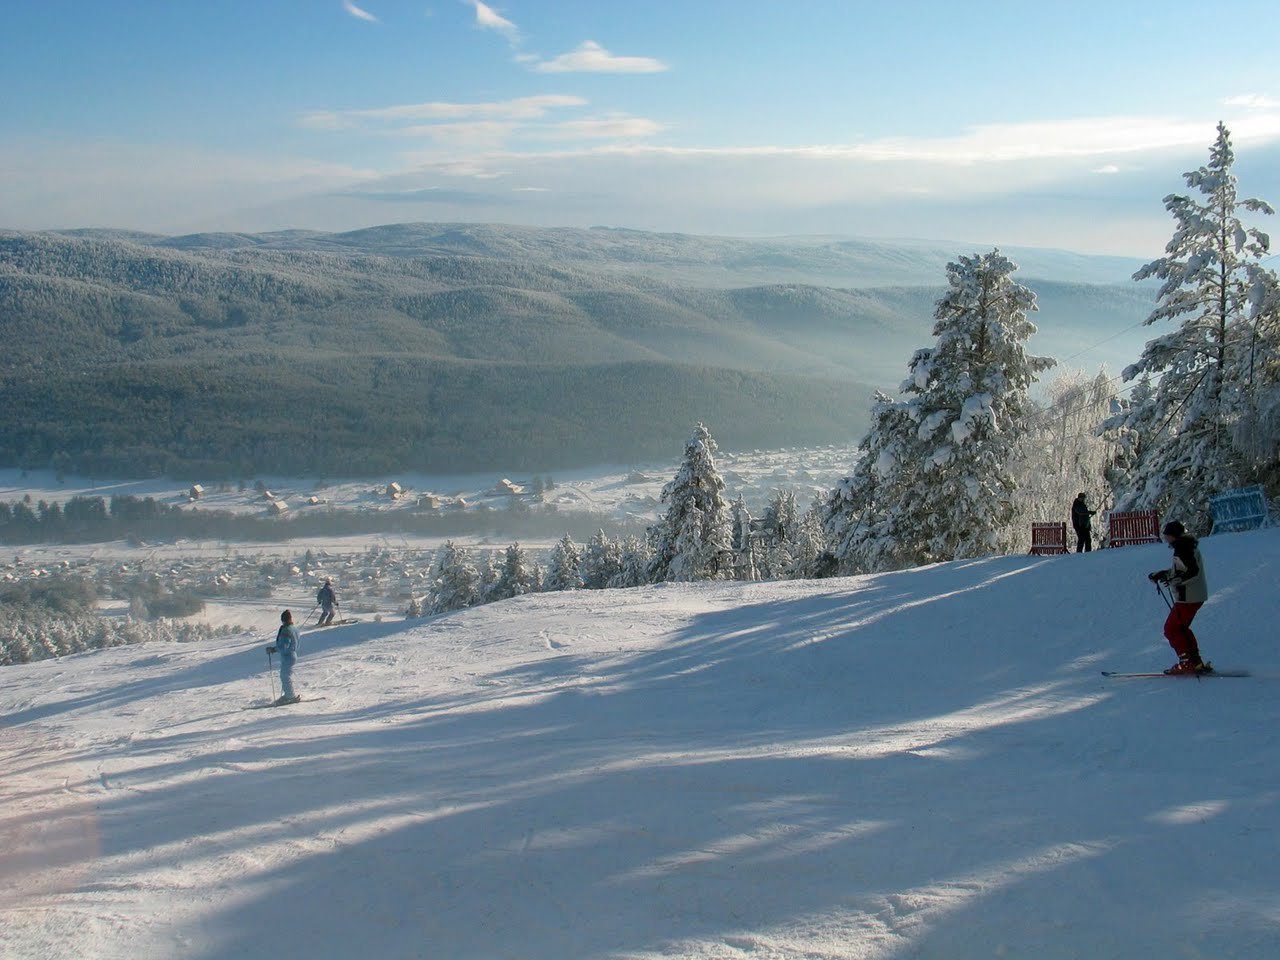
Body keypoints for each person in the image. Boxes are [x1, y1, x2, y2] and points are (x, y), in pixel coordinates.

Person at [1147, 520, 1211, 675]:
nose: (1166, 539)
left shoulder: (1183, 548)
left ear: (1172, 535)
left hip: (1188, 597)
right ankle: (1195, 662)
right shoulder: (1186, 546)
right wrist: (1164, 574)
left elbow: (1191, 572)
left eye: (1167, 536)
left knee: (1171, 629)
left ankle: (1186, 662)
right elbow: (1182, 570)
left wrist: (1174, 580)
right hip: (1192, 595)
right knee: (1181, 628)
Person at [266, 609, 302, 704]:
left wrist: (273, 649)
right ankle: (287, 695)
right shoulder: (294, 628)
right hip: (292, 654)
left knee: (285, 676)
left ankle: (290, 696)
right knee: (285, 675)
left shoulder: (286, 630)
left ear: (283, 620)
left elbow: (284, 646)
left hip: (287, 655)